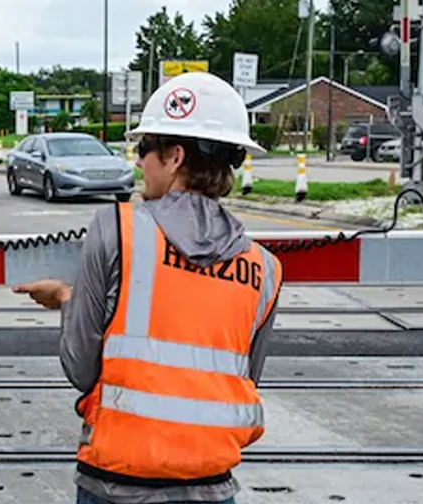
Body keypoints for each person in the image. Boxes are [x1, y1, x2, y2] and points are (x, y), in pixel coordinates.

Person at [14, 72, 283, 504]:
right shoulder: (264, 268)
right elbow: (240, 381)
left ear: (175, 157)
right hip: (212, 487)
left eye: (145, 150)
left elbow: (81, 369)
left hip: (116, 486)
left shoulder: (117, 229)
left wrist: (70, 299)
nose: (140, 162)